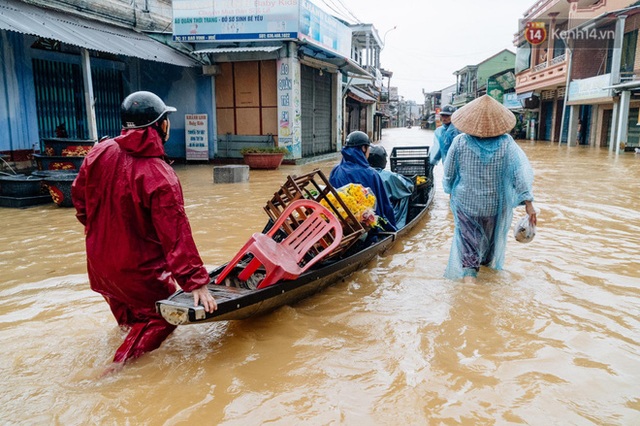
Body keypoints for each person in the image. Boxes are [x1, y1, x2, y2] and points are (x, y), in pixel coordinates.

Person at [72, 91, 217, 368]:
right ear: (159, 126)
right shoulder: (159, 174)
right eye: (166, 121)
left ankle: (127, 354)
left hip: (100, 264)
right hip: (138, 271)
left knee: (130, 322)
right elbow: (175, 235)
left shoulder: (99, 152)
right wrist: (195, 282)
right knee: (161, 316)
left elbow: (80, 201)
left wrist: (99, 234)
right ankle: (116, 371)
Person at [442, 95, 537, 282]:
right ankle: (487, 285)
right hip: (495, 207)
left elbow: (449, 175)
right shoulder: (507, 144)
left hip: (466, 206)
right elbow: (520, 175)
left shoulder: (460, 142)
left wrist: (450, 191)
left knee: (469, 248)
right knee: (489, 248)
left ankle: (470, 285)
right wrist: (528, 203)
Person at [329, 131, 397, 231]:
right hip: (368, 227)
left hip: (340, 225)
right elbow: (385, 206)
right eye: (368, 148)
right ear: (363, 148)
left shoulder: (335, 170)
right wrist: (393, 228)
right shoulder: (371, 173)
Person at [367, 145, 415, 228]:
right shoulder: (388, 176)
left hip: (368, 212)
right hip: (383, 214)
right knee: (404, 196)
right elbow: (409, 187)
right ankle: (398, 224)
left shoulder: (363, 173)